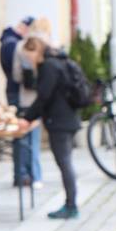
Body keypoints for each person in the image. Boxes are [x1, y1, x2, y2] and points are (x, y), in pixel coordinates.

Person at [18, 36, 80, 219]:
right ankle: (71, 203)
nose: (28, 61)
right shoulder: (59, 61)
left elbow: (44, 97)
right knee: (66, 162)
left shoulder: (48, 66)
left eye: (28, 56)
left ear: (35, 51)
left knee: (64, 163)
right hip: (68, 118)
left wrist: (27, 118)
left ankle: (71, 205)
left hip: (59, 121)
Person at [0, 16, 40, 187]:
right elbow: (16, 74)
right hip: (21, 94)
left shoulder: (8, 41)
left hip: (16, 92)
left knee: (22, 135)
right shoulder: (15, 45)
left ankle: (22, 174)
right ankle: (24, 174)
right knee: (24, 134)